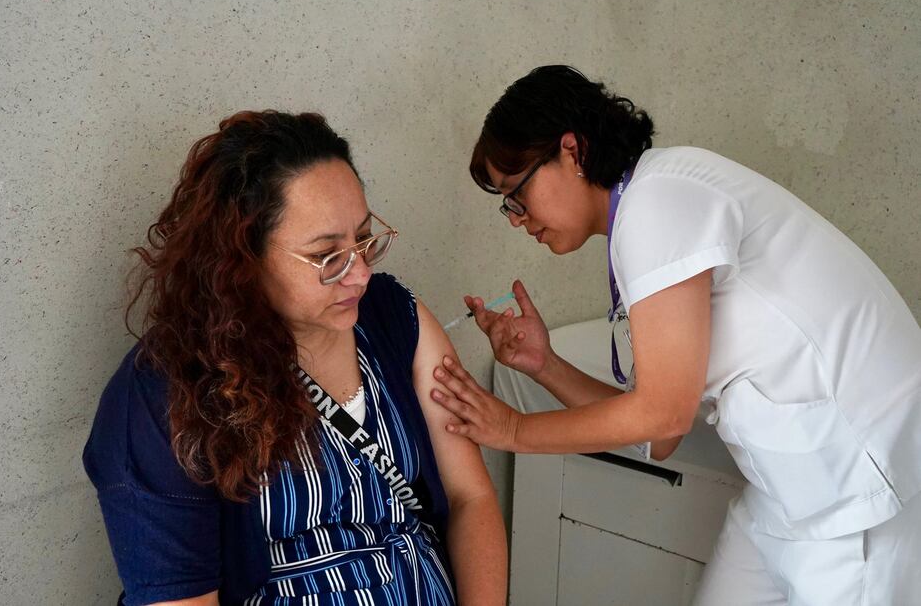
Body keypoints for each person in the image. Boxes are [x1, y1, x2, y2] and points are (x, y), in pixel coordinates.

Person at [429, 65, 921, 604]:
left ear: (571, 151)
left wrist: (516, 431)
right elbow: (659, 436)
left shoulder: (657, 201)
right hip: (790, 488)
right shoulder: (645, 210)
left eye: (515, 194)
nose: (516, 220)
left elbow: (664, 414)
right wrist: (546, 364)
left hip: (857, 493)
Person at [83, 111, 507, 606]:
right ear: (242, 256)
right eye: (328, 257)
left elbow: (469, 497)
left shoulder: (392, 318)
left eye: (364, 239)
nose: (360, 275)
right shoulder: (164, 394)